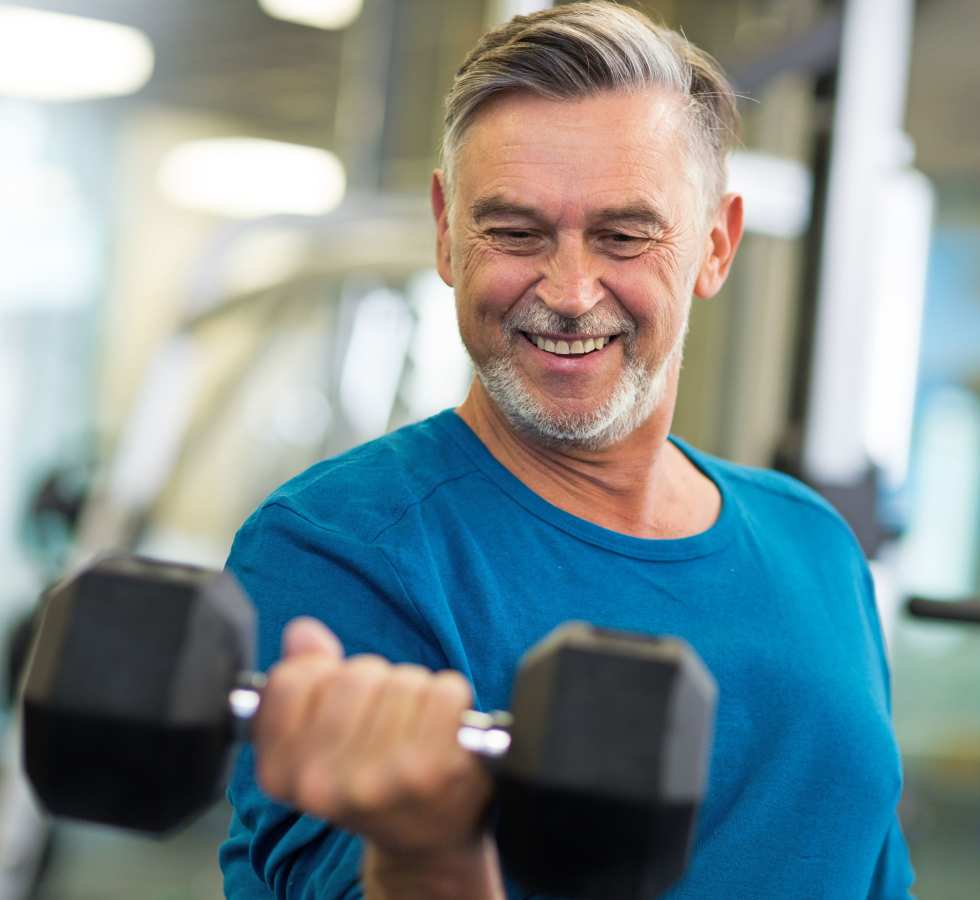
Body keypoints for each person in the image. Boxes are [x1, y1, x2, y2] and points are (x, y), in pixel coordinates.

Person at [220, 3, 916, 897]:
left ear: (716, 244)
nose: (572, 291)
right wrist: (427, 847)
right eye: (515, 232)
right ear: (444, 230)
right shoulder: (332, 549)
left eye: (624, 236)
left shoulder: (814, 545)